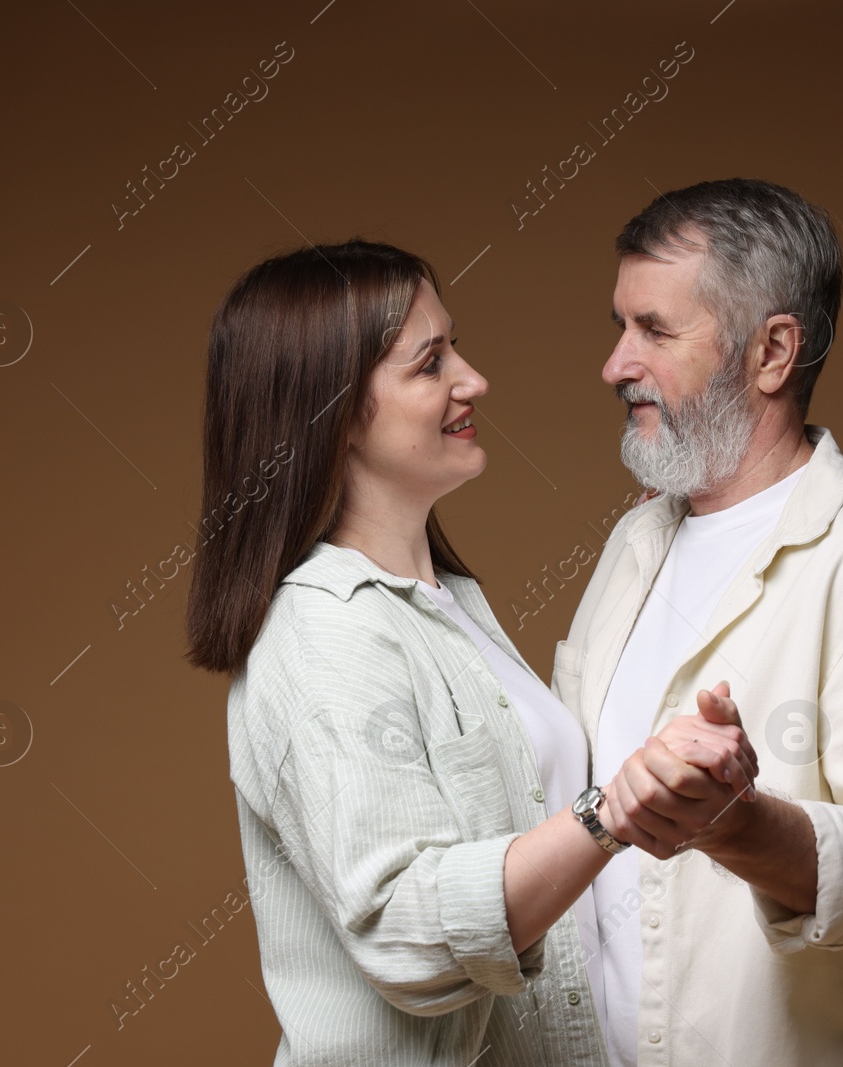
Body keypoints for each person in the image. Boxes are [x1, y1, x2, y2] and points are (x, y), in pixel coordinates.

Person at [183, 239, 759, 1067]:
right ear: (334, 415)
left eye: (454, 345)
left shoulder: (451, 603)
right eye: (430, 363)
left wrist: (663, 541)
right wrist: (612, 813)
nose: (472, 379)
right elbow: (404, 930)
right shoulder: (324, 631)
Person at [551, 178, 843, 1066]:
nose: (615, 364)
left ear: (773, 352)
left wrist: (740, 826)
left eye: (655, 331)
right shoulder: (634, 543)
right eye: (618, 325)